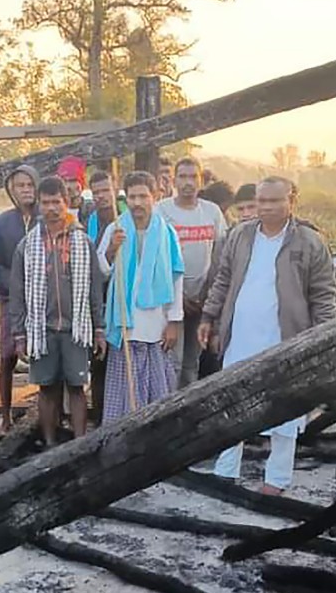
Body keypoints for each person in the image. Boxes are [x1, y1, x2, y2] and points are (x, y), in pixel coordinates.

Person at [199, 176, 336, 493]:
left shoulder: (309, 241)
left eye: (274, 200)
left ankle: (276, 479)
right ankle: (226, 469)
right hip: (241, 334)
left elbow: (323, 295)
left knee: (286, 406)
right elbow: (222, 279)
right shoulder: (240, 235)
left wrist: (326, 338)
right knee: (231, 402)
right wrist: (209, 316)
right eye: (261, 200)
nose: (266, 207)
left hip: (286, 337)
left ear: (292, 201)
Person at [9, 177, 105, 446]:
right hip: (43, 329)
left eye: (57, 202)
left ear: (66, 203)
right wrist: (19, 334)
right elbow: (17, 293)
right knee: (47, 389)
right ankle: (50, 445)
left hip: (76, 328)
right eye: (46, 202)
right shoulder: (27, 246)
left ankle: (79, 443)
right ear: (39, 204)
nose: (51, 208)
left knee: (76, 388)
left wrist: (99, 328)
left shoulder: (82, 242)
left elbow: (94, 288)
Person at [96, 171, 185, 423]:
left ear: (155, 197)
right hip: (125, 320)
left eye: (143, 196)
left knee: (157, 387)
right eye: (132, 196)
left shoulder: (167, 233)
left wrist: (174, 320)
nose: (137, 202)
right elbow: (101, 270)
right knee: (126, 387)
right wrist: (112, 248)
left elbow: (176, 277)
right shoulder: (116, 228)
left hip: (156, 320)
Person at [155, 156, 228, 389]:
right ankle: (168, 413)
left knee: (191, 362)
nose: (188, 182)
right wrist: (178, 298)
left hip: (202, 300)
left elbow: (220, 254)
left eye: (193, 177)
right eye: (182, 176)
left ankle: (188, 415)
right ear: (174, 180)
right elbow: (156, 259)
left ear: (201, 181)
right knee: (171, 361)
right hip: (172, 302)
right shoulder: (162, 211)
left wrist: (208, 293)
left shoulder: (212, 212)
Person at [0, 165, 39, 432]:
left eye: (30, 184)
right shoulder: (0, 224)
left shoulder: (48, 219)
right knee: (8, 356)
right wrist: (16, 287)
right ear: (12, 190)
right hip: (11, 297)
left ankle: (49, 413)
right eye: (20, 185)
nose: (26, 190)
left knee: (46, 356)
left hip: (44, 300)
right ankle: (6, 415)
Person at [84, 169, 123, 419]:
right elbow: (93, 262)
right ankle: (100, 417)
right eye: (96, 192)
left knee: (119, 361)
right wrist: (108, 252)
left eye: (105, 190)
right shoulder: (91, 219)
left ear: (114, 188)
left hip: (121, 299)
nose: (101, 196)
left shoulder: (126, 217)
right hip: (97, 299)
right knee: (99, 362)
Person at [57, 156, 91, 223]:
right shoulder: (55, 212)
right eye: (65, 181)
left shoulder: (91, 212)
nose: (68, 186)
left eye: (73, 180)